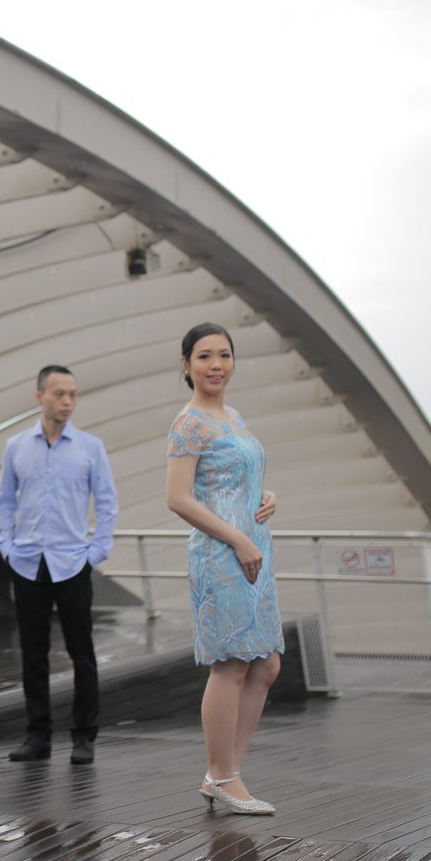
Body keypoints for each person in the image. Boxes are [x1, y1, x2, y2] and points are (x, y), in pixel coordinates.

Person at [165, 323, 282, 816]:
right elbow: (177, 498)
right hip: (221, 555)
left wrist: (266, 494)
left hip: (255, 552)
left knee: (266, 665)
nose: (217, 365)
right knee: (231, 665)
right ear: (186, 365)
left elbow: (237, 477)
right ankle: (224, 775)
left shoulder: (233, 416)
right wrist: (236, 538)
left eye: (225, 355)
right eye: (205, 356)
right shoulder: (189, 424)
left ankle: (224, 774)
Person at [0, 365, 117, 765]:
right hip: (27, 563)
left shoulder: (90, 448)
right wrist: (7, 547)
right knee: (33, 654)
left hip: (72, 563)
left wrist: (95, 553)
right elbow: (3, 501)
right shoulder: (16, 447)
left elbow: (107, 503)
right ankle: (38, 736)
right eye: (59, 394)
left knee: (82, 653)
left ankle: (84, 737)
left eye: (73, 394)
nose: (67, 402)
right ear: (40, 396)